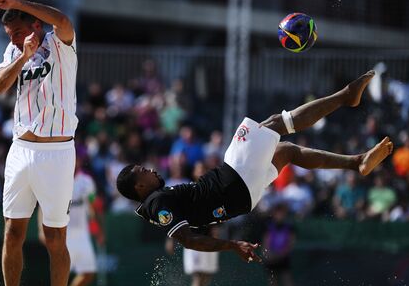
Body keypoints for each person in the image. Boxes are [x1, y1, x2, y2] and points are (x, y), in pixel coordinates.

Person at [116, 71, 393, 262]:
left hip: (240, 195)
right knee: (275, 124)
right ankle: (346, 96)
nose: (151, 170)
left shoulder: (156, 201)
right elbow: (188, 240)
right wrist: (232, 245)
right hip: (233, 181)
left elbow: (191, 229)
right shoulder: (155, 203)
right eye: (144, 172)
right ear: (139, 186)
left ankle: (357, 162)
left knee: (286, 152)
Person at [0, 0, 78, 286]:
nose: (12, 39)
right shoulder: (14, 50)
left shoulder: (61, 44)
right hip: (21, 149)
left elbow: (63, 19)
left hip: (57, 152)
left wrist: (17, 3)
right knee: (13, 233)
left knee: (55, 238)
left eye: (17, 32)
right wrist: (20, 54)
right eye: (9, 35)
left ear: (34, 24)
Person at [37, 158, 105, 286]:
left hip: (82, 233)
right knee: (61, 271)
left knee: (88, 272)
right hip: (62, 232)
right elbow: (43, 205)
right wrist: (41, 230)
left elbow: (93, 205)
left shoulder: (86, 182)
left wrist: (99, 231)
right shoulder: (56, 180)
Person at [262, 202, 295, 286]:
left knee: (286, 278)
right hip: (272, 255)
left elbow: (291, 242)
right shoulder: (269, 227)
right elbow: (266, 242)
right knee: (273, 279)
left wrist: (283, 253)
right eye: (278, 213)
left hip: (283, 256)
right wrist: (267, 254)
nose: (279, 215)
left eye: (281, 213)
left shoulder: (289, 227)